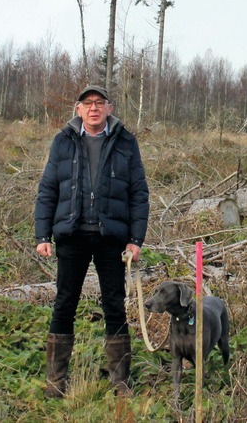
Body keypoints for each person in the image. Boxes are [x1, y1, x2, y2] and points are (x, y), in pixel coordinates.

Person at [34, 84, 150, 397]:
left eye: (100, 102)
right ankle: (56, 383)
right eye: (88, 103)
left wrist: (135, 239)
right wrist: (43, 234)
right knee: (64, 305)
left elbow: (139, 193)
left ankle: (120, 382)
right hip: (72, 237)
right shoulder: (63, 141)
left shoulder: (126, 142)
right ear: (79, 109)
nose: (94, 108)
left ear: (110, 108)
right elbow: (48, 190)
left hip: (112, 238)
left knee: (115, 307)